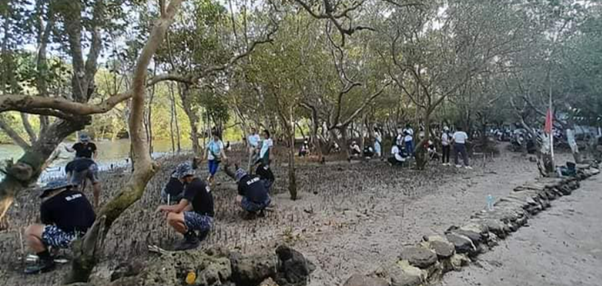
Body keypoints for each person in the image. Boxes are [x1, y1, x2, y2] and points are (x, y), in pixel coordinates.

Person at [24, 179, 95, 274]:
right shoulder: (80, 195)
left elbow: (48, 227)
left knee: (31, 230)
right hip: (93, 234)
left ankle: (46, 261)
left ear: (52, 191)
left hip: (73, 239)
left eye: (48, 194)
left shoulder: (48, 204)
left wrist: (52, 247)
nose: (48, 196)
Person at [156, 164, 214, 251]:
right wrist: (179, 213)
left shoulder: (192, 186)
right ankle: (192, 237)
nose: (180, 180)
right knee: (175, 214)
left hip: (204, 220)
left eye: (180, 178)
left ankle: (192, 240)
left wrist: (163, 207)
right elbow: (190, 206)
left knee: (171, 217)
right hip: (207, 218)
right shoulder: (198, 182)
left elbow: (178, 208)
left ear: (184, 177)